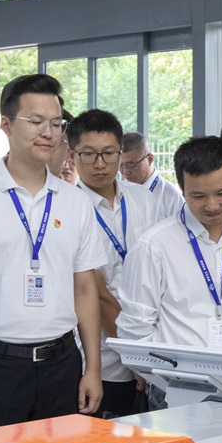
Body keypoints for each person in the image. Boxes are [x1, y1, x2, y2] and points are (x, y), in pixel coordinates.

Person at [0, 73, 108, 427]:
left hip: (62, 363)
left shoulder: (75, 201)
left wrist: (93, 368)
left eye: (56, 124)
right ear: (6, 125)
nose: (48, 132)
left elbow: (85, 289)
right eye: (36, 121)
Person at [117, 136, 222, 357]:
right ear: (182, 190)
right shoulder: (154, 247)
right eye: (198, 196)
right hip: (179, 374)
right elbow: (135, 329)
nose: (212, 206)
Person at [70, 108, 161, 418]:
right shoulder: (68, 208)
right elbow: (97, 294)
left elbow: (156, 273)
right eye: (88, 154)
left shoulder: (142, 198)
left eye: (109, 153)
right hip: (100, 359)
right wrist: (136, 358)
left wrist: (147, 352)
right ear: (72, 155)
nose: (100, 164)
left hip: (149, 349)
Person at [120, 132, 182, 218]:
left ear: (150, 159)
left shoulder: (172, 198)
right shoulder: (119, 193)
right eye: (120, 165)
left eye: (131, 165)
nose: (125, 171)